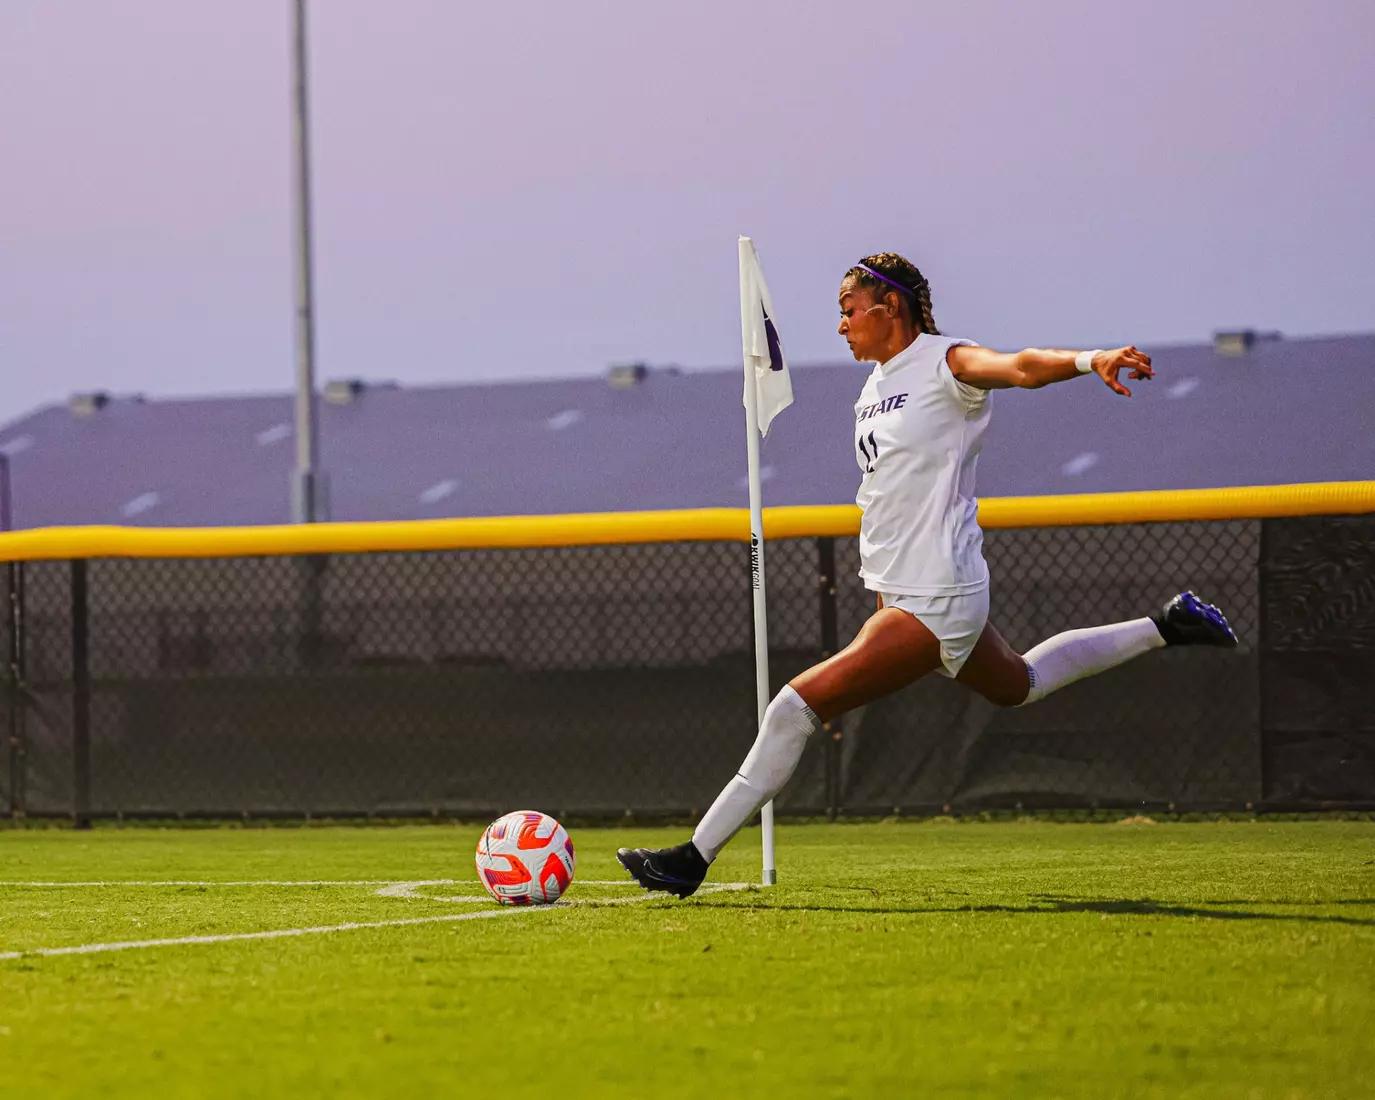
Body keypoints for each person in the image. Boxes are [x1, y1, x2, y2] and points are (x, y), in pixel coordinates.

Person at [618, 252, 1236, 898]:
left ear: (888, 309)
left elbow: (1020, 367)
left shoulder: (947, 361)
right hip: (910, 591)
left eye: (847, 310)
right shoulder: (874, 386)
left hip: (936, 594)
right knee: (1018, 684)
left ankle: (691, 857)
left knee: (792, 708)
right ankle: (1166, 624)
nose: (840, 326)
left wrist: (1090, 359)